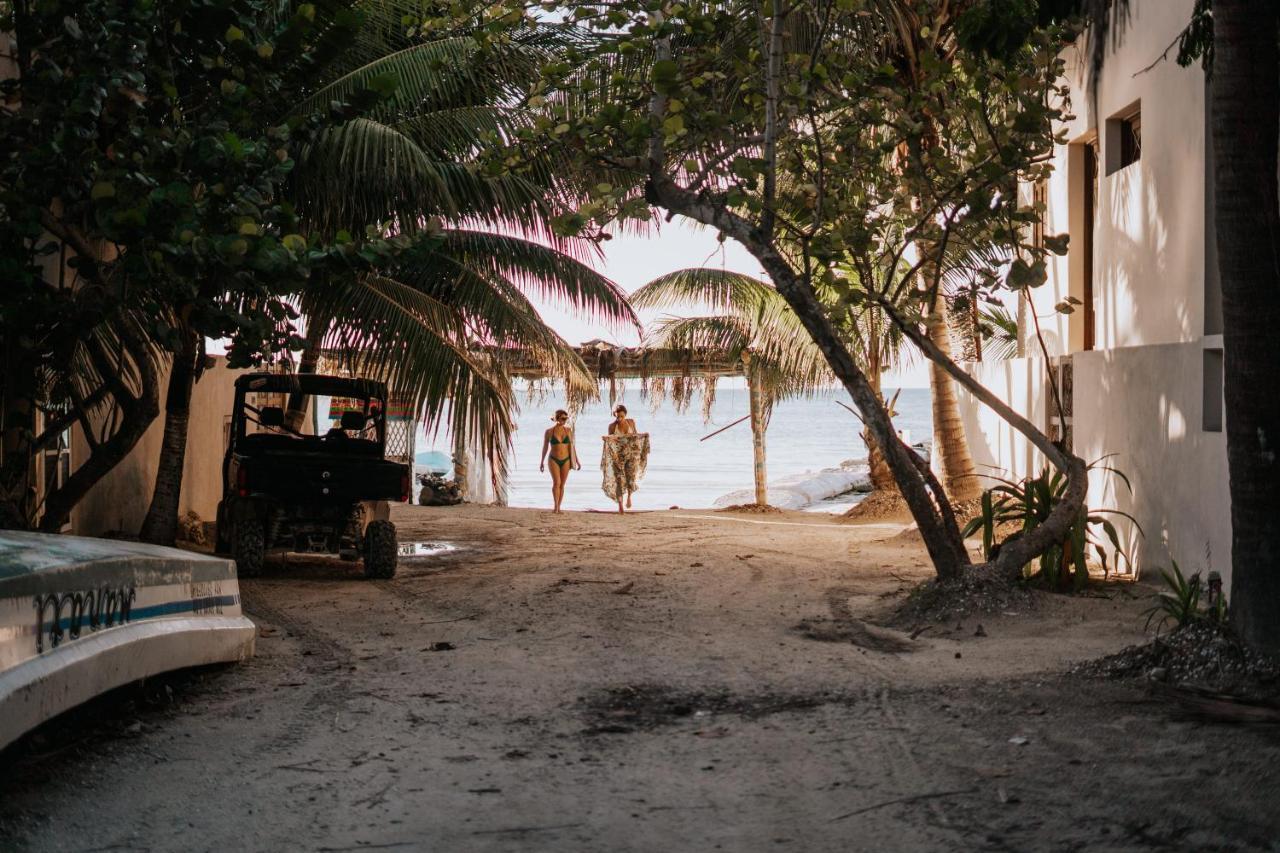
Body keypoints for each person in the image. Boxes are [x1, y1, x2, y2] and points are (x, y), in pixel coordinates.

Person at [602, 404, 648, 513]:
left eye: (622, 416)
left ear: (625, 415)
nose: (619, 419)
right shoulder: (612, 426)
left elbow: (635, 436)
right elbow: (611, 441)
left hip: (632, 455)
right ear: (615, 415)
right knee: (618, 480)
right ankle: (620, 506)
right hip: (617, 457)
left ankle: (629, 497)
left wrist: (644, 435)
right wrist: (606, 439)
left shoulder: (631, 422)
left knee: (630, 479)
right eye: (617, 416)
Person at [539, 409, 580, 513]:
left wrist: (577, 461)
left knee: (562, 484)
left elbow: (572, 447)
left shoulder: (568, 431)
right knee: (556, 482)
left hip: (566, 460)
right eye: (562, 418)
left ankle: (559, 507)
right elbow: (545, 447)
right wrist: (542, 461)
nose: (565, 420)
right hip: (553, 459)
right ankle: (556, 506)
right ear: (557, 418)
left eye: (566, 418)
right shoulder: (549, 432)